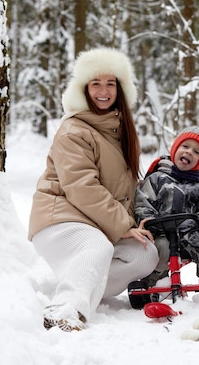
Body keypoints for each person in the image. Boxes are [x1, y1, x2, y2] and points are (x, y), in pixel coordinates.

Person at [28, 48, 159, 331]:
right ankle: (65, 308)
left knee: (145, 254)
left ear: (120, 89)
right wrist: (123, 224)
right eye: (95, 84)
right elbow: (81, 186)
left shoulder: (118, 131)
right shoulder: (74, 130)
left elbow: (124, 189)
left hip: (96, 222)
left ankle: (80, 283)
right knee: (96, 246)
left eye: (110, 84)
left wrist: (138, 219)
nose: (103, 91)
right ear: (84, 89)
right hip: (60, 217)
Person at [134, 127, 199, 294]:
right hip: (160, 233)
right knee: (158, 249)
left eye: (196, 152)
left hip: (189, 233)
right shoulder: (156, 179)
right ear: (175, 148)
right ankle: (153, 286)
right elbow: (143, 203)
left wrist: (198, 220)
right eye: (185, 146)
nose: (189, 152)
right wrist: (150, 222)